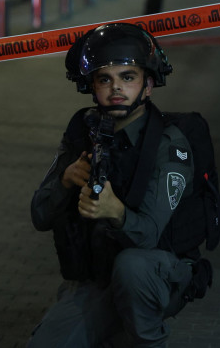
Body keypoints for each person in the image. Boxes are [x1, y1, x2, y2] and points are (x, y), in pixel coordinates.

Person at [29, 23, 208, 346]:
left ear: (148, 85)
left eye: (128, 77)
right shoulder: (84, 132)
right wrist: (66, 181)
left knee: (132, 267)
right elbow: (39, 215)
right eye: (104, 79)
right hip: (100, 275)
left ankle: (146, 339)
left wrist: (116, 212)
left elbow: (150, 234)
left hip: (158, 271)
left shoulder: (169, 145)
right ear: (92, 87)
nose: (116, 88)